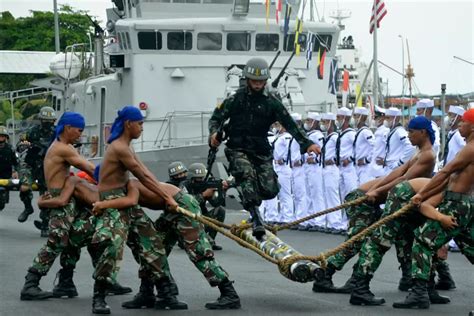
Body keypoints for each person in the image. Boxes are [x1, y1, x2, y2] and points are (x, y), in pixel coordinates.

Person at [313, 116, 436, 294]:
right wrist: (376, 190)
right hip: (364, 200)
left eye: (411, 131)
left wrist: (377, 190)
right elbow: (400, 175)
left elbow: (402, 177)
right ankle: (325, 275)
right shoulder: (420, 153)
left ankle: (408, 277)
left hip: (376, 198)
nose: (408, 135)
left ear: (423, 132)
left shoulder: (426, 155)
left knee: (405, 234)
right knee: (357, 240)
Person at [208, 57, 320, 240]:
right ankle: (256, 217)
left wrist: (307, 143)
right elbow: (215, 119)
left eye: (261, 81)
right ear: (247, 80)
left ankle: (242, 186)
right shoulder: (234, 99)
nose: (258, 85)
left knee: (270, 190)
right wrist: (213, 135)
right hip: (238, 148)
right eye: (254, 81)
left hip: (260, 150)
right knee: (246, 174)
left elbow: (290, 124)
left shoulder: (271, 102)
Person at [90, 105, 185, 314]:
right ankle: (99, 296)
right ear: (128, 124)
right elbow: (142, 177)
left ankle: (164, 290)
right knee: (113, 247)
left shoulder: (128, 146)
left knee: (153, 243)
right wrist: (167, 197)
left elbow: (145, 172)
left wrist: (165, 195)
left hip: (126, 202)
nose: (142, 128)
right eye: (140, 124)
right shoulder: (119, 148)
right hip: (113, 204)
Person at [393, 108, 474, 309]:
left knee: (422, 240)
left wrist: (421, 194)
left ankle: (419, 293)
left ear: (472, 127)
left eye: (463, 123)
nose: (459, 125)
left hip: (457, 203)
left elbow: (445, 171)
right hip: (461, 202)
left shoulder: (471, 148)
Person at [20, 112, 96, 301]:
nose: (81, 134)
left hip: (67, 197)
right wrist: (116, 176)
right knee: (56, 241)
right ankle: (30, 284)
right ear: (68, 128)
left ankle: (66, 283)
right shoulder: (63, 148)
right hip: (60, 198)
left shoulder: (65, 146)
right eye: (79, 130)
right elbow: (91, 169)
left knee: (75, 237)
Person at [17, 106, 56, 235]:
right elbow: (20, 143)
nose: (47, 123)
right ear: (40, 119)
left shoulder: (56, 133)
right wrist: (25, 144)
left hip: (48, 166)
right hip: (32, 164)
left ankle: (45, 224)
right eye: (45, 120)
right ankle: (28, 208)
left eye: (50, 120)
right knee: (24, 187)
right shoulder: (32, 132)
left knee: (46, 194)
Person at [184, 162, 227, 250]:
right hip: (186, 221)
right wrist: (203, 195)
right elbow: (186, 203)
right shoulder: (184, 186)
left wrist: (221, 191)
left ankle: (211, 240)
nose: (201, 180)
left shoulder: (206, 185)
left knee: (220, 210)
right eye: (198, 178)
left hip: (202, 218)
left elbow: (216, 204)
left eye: (202, 178)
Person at [319, 112, 342, 233]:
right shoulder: (328, 137)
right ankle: (331, 222)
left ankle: (336, 223)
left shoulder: (335, 137)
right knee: (327, 195)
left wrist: (333, 159)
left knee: (333, 196)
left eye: (326, 122)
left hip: (332, 168)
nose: (324, 124)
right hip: (326, 169)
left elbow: (339, 152)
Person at [303, 113, 325, 231]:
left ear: (315, 122)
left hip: (315, 167)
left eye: (309, 120)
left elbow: (322, 150)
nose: (307, 122)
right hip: (307, 167)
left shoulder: (318, 135)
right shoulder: (308, 135)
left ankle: (319, 221)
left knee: (317, 194)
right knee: (308, 194)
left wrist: (316, 159)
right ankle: (311, 219)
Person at [289, 113, 309, 230]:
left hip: (300, 168)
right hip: (293, 168)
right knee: (296, 194)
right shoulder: (293, 137)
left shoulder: (302, 136)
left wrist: (301, 160)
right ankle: (298, 217)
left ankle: (303, 220)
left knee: (301, 194)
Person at [271, 123, 294, 225]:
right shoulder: (278, 137)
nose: (275, 127)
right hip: (277, 166)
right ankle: (283, 216)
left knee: (285, 193)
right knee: (279, 193)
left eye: (277, 124)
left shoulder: (287, 136)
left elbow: (289, 149)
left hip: (284, 167)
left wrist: (284, 159)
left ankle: (288, 217)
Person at [383, 107, 416, 174]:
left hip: (395, 167)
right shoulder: (392, 131)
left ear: (396, 118)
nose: (385, 120)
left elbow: (411, 146)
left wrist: (400, 162)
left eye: (388, 118)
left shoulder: (399, 131)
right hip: (389, 167)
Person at [352, 107, 375, 185]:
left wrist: (366, 160)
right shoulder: (359, 131)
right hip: (358, 167)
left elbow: (374, 146)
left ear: (362, 117)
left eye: (356, 116)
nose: (354, 118)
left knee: (364, 191)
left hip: (365, 168)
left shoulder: (366, 132)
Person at [0, 126, 18, 211]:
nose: (1, 138)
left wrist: (15, 171)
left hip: (6, 175)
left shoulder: (10, 149)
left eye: (2, 136)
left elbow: (15, 162)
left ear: (6, 137)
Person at [369, 106, 389, 178]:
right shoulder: (379, 131)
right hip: (375, 170)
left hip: (381, 170)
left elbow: (390, 148)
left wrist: (387, 161)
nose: (374, 120)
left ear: (382, 118)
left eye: (376, 117)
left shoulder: (385, 131)